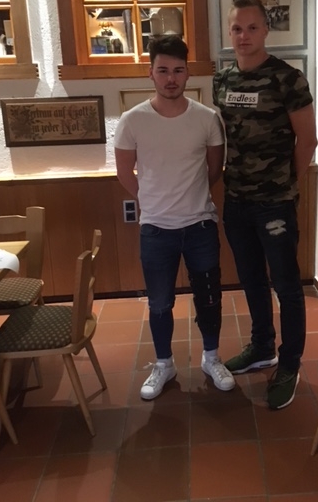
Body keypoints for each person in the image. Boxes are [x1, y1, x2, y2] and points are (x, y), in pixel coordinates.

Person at [115, 35, 235, 400]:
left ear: (187, 73)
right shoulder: (132, 121)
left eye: (178, 71)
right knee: (159, 303)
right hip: (156, 229)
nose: (171, 78)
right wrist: (152, 201)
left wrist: (189, 197)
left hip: (200, 225)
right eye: (163, 70)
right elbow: (124, 173)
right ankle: (164, 363)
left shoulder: (207, 119)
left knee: (209, 298)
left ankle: (211, 358)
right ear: (150, 73)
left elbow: (213, 171)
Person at [213, 0, 317, 410]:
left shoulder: (288, 79)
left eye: (252, 28)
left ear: (266, 31)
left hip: (274, 203)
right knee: (251, 279)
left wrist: (287, 185)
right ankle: (261, 347)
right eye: (237, 28)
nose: (244, 36)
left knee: (286, 285)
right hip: (236, 200)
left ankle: (289, 363)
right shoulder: (222, 80)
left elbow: (307, 140)